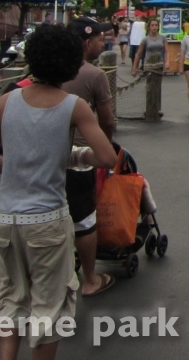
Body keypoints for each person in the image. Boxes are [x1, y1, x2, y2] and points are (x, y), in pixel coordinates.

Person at [0, 25, 116, 360]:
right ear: (71, 63)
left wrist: (19, 166)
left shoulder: (4, 102)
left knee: (11, 297)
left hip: (6, 218)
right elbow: (106, 156)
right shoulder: (74, 106)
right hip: (47, 221)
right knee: (49, 306)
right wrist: (71, 157)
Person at [63, 18, 117, 298]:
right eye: (99, 38)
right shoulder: (94, 74)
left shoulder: (50, 70)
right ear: (86, 43)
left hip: (49, 155)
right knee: (83, 218)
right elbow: (107, 121)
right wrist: (106, 148)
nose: (102, 42)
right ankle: (89, 279)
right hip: (81, 155)